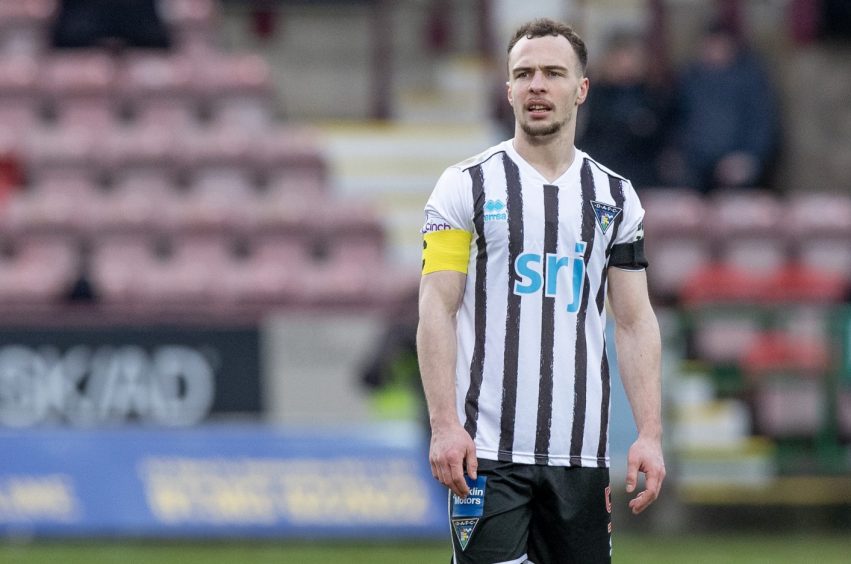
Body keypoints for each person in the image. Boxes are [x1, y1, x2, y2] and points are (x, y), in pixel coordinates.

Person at [417, 18, 665, 563]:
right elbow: (437, 306)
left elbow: (634, 321)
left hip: (579, 457)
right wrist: (443, 426)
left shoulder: (616, 199)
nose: (537, 85)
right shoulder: (465, 185)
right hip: (486, 453)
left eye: (553, 73)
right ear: (507, 90)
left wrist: (649, 432)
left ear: (580, 88)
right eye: (523, 74)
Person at [668, 20, 780, 193]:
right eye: (709, 46)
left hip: (740, 161)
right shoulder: (689, 79)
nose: (714, 52)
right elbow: (676, 121)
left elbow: (762, 124)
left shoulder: (750, 80)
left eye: (719, 46)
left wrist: (749, 157)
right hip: (695, 164)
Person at [577, 29, 672, 189]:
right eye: (621, 57)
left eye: (631, 57)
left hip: (645, 177)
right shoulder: (593, 95)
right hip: (602, 174)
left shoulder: (652, 94)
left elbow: (661, 138)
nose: (626, 63)